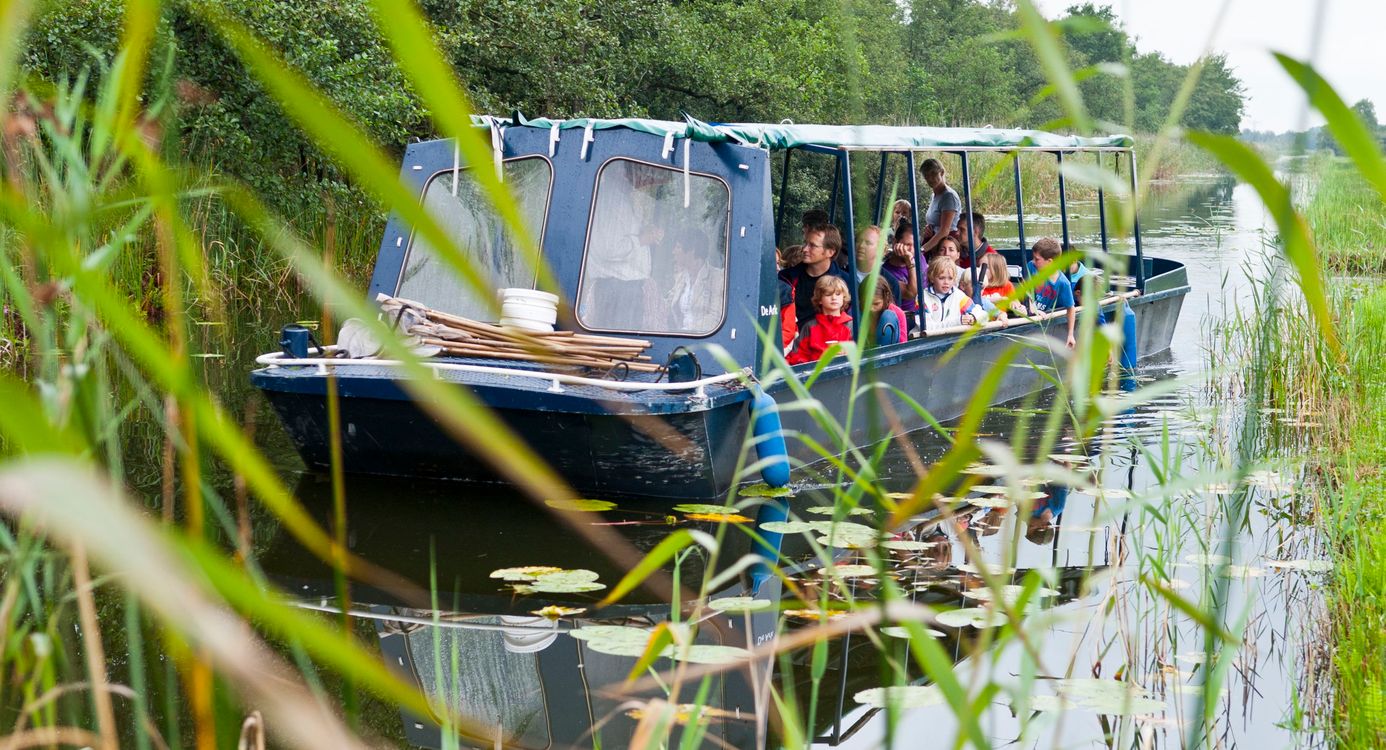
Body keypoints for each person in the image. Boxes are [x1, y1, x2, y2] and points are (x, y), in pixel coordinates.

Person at [584, 220, 662, 328]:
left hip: (633, 290)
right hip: (620, 292)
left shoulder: (647, 287)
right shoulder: (615, 208)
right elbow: (610, 249)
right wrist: (642, 239)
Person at [780, 224, 851, 326]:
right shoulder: (786, 278)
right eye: (805, 243)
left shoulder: (846, 283)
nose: (804, 249)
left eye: (812, 246)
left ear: (830, 252)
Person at [787, 275, 853, 365]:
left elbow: (862, 353)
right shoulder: (810, 327)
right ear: (819, 299)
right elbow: (798, 356)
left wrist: (847, 355)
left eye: (838, 294)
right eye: (828, 294)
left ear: (844, 298)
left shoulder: (851, 324)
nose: (834, 298)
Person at [665, 230, 722, 333]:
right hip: (679, 339)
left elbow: (715, 318)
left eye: (678, 247)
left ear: (692, 250)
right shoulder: (681, 277)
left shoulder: (717, 277)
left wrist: (686, 332)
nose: (673, 252)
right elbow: (667, 306)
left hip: (703, 341)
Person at [1028, 238, 1077, 349]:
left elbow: (1071, 308)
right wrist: (1032, 308)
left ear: (1050, 262)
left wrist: (1070, 335)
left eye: (1037, 259)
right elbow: (1024, 290)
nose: (1033, 261)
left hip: (1040, 318)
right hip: (1026, 311)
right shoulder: (1031, 267)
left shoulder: (1063, 283)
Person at [921, 257, 987, 329]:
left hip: (952, 339)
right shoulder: (923, 297)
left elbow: (983, 315)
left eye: (950, 278)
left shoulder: (958, 296)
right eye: (941, 278)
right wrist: (957, 322)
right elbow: (927, 327)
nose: (946, 282)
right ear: (932, 278)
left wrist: (973, 318)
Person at [918, 158, 961, 259]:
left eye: (933, 174)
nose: (930, 179)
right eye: (926, 176)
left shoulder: (949, 196)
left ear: (941, 172)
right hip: (934, 241)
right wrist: (929, 230)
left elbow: (944, 231)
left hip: (946, 245)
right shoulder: (934, 195)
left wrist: (922, 250)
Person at [883, 218, 920, 324]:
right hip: (906, 319)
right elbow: (911, 293)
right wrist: (910, 263)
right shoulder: (886, 272)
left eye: (915, 245)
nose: (912, 250)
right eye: (908, 245)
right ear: (895, 242)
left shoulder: (919, 257)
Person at [854, 225, 901, 304]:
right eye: (859, 240)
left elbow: (894, 314)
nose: (861, 246)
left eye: (868, 243)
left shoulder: (890, 282)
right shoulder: (842, 275)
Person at [980, 252, 1026, 318]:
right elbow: (975, 302)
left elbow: (1016, 306)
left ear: (996, 270)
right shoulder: (978, 285)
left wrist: (1020, 309)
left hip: (1000, 323)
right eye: (978, 266)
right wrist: (998, 300)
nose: (979, 269)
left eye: (985, 267)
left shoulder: (1007, 285)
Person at [866, 276, 906, 346]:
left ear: (886, 297)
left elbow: (903, 344)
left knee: (888, 316)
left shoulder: (897, 313)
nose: (871, 308)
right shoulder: (860, 312)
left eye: (876, 304)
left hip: (890, 352)